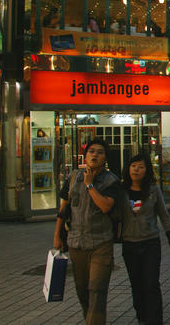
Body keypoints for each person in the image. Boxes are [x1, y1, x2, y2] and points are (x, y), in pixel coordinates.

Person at [52, 138, 120, 325]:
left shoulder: (111, 180)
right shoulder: (74, 177)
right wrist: (57, 235)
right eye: (91, 151)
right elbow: (63, 209)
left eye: (99, 152)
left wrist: (90, 185)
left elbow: (106, 206)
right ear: (85, 155)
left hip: (101, 243)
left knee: (97, 290)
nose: (95, 155)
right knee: (82, 291)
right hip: (76, 243)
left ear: (105, 158)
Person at [120, 153, 170, 325]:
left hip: (151, 242)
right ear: (128, 168)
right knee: (136, 285)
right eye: (133, 166)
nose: (136, 170)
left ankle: (155, 320)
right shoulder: (121, 191)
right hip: (129, 244)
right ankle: (142, 317)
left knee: (151, 284)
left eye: (141, 167)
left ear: (147, 170)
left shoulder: (153, 190)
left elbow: (163, 214)